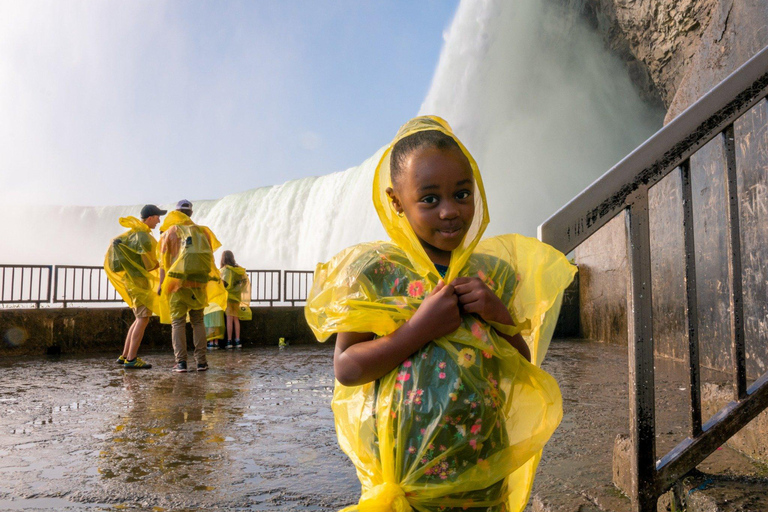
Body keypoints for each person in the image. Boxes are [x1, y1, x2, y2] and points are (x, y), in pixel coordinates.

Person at [305, 116, 576, 512]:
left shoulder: (493, 274)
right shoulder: (376, 272)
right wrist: (418, 329)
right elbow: (347, 368)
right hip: (408, 474)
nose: (450, 211)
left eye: (462, 194)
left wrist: (498, 314)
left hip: (482, 465)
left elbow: (522, 363)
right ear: (396, 201)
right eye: (430, 199)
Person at [157, 200, 227, 372]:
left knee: (178, 323)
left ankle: (181, 362)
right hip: (198, 283)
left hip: (176, 284)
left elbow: (162, 262)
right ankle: (201, 362)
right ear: (191, 213)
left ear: (176, 213)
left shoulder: (170, 232)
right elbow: (210, 260)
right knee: (198, 321)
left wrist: (161, 284)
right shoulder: (203, 232)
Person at [105, 204, 168, 369]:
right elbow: (150, 264)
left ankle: (125, 355)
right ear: (149, 218)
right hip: (139, 283)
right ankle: (131, 359)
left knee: (138, 318)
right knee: (143, 319)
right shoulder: (143, 236)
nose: (159, 220)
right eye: (157, 217)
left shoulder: (132, 234)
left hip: (130, 282)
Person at [218, 250, 252, 349]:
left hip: (228, 297)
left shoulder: (225, 270)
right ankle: (237, 340)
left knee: (229, 318)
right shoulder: (239, 270)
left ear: (223, 259)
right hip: (237, 297)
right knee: (236, 319)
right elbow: (243, 283)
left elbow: (224, 284)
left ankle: (229, 341)